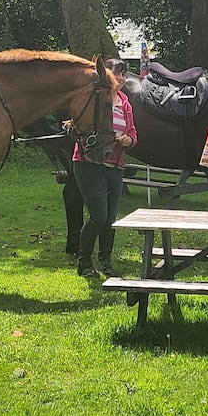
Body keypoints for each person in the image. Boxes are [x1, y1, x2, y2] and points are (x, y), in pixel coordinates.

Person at [70, 58, 137, 278]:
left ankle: (105, 263)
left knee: (110, 218)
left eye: (123, 75)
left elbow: (133, 133)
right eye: (116, 74)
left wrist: (129, 140)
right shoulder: (94, 97)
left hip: (115, 165)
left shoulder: (126, 103)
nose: (120, 79)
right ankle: (84, 263)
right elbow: (79, 122)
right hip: (89, 163)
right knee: (98, 216)